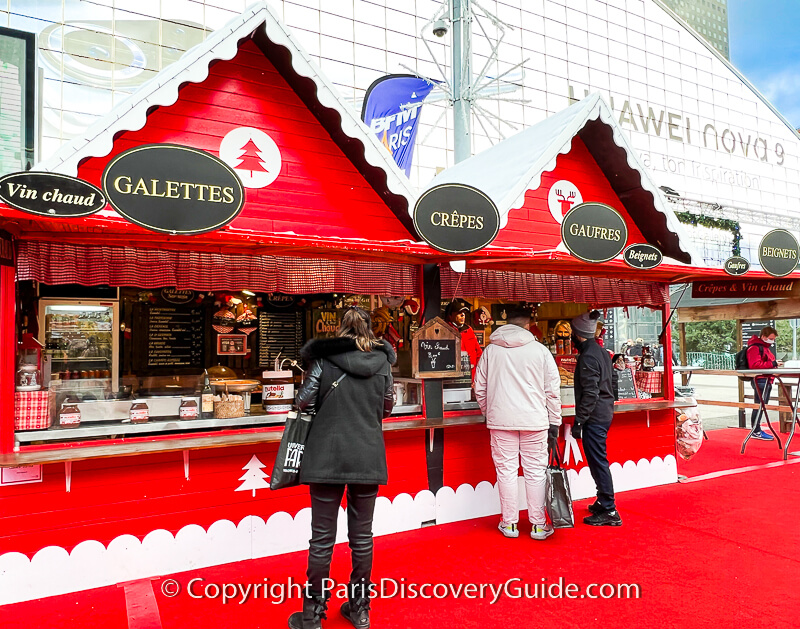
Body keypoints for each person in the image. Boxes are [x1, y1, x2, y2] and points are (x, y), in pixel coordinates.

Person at [288, 307, 395, 629]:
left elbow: (302, 401)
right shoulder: (383, 363)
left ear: (340, 329)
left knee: (321, 539)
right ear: (370, 329)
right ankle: (360, 610)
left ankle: (313, 615)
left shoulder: (323, 359)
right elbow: (387, 406)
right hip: (367, 454)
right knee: (362, 538)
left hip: (326, 456)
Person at [474, 305, 562, 540]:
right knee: (535, 472)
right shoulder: (540, 351)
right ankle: (538, 524)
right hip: (535, 420)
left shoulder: (491, 351)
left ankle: (509, 523)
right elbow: (552, 391)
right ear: (528, 324)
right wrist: (554, 420)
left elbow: (479, 388)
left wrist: (489, 411)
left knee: (506, 472)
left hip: (501, 420)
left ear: (506, 322)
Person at [570, 311, 621, 526]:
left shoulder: (588, 356)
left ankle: (609, 508)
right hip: (603, 412)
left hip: (594, 416)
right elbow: (614, 379)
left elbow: (590, 392)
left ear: (578, 334)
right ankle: (603, 500)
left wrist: (579, 421)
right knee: (597, 459)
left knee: (598, 461)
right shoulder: (600, 351)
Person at [747, 325, 782, 441]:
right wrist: (773, 364)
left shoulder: (762, 347)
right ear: (763, 336)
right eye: (771, 338)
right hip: (761, 380)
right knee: (759, 405)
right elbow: (755, 365)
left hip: (765, 380)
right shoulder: (756, 348)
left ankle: (756, 429)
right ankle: (755, 430)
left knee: (761, 405)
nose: (772, 341)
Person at [445, 299, 483, 380]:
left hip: (472, 377)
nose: (463, 315)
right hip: (453, 379)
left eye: (464, 313)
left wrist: (477, 375)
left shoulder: (469, 330)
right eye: (459, 313)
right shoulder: (445, 331)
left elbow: (479, 353)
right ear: (450, 316)